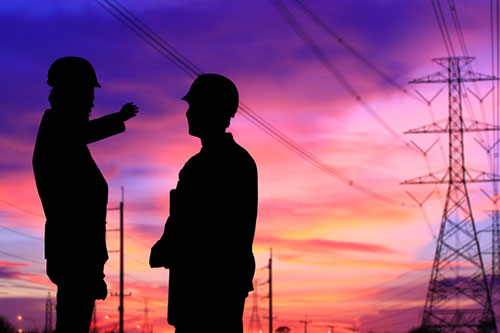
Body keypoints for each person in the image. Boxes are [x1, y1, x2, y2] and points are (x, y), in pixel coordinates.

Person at [32, 56, 138, 332]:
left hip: (79, 255)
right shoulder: (59, 131)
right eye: (87, 94)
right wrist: (117, 119)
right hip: (74, 253)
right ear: (71, 93)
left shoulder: (64, 136)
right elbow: (82, 132)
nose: (91, 102)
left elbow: (81, 132)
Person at [150, 74, 258, 332]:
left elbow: (206, 224)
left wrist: (168, 246)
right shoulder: (205, 163)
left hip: (211, 286)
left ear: (213, 110)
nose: (188, 113)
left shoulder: (225, 163)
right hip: (205, 283)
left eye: (193, 106)